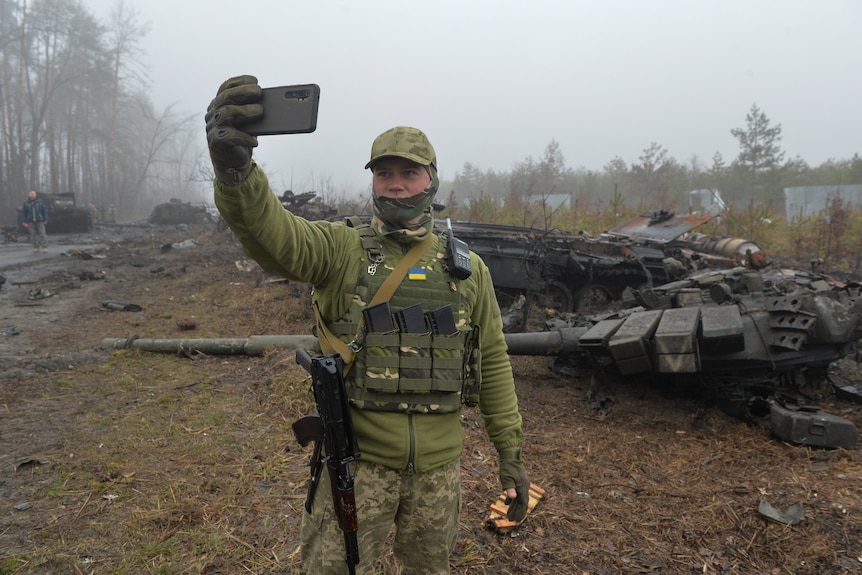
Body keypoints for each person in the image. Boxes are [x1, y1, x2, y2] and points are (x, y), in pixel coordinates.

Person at [206, 75, 530, 575]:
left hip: (438, 474)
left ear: (432, 181)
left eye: (409, 172)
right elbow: (273, 234)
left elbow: (492, 361)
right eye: (384, 173)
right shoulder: (342, 248)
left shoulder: (469, 270)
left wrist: (510, 453)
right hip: (359, 468)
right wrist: (237, 173)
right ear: (373, 180)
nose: (396, 183)